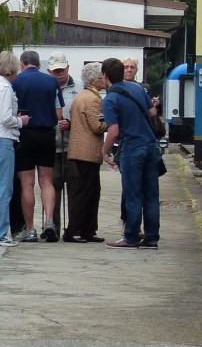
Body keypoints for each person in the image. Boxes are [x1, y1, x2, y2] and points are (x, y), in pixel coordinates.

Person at [100, 57, 159, 250]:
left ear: (105, 76)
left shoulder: (110, 99)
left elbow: (114, 131)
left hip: (132, 148)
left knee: (133, 194)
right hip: (151, 145)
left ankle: (131, 236)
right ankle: (151, 238)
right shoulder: (137, 88)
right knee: (151, 194)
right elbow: (152, 112)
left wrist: (105, 151)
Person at [12, 50, 62, 242]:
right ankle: (49, 221)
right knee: (46, 180)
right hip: (47, 134)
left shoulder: (17, 81)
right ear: (39, 65)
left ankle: (30, 229)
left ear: (22, 64)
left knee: (27, 183)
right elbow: (59, 114)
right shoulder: (52, 81)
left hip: (25, 133)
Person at [63, 61, 108, 244]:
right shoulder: (93, 99)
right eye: (102, 77)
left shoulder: (82, 96)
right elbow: (96, 126)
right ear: (96, 79)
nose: (105, 80)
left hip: (80, 151)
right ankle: (76, 230)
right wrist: (113, 125)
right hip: (86, 152)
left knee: (89, 191)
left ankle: (86, 230)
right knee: (86, 192)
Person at [0, 51, 31, 247]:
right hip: (4, 139)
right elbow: (5, 118)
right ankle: (3, 233)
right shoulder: (5, 87)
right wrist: (21, 121)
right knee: (5, 188)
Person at [47, 51, 78, 233]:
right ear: (49, 71)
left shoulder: (79, 88)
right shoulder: (45, 88)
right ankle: (53, 227)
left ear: (67, 67)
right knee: (53, 187)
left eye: (62, 69)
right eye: (55, 70)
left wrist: (71, 123)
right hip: (51, 146)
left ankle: (74, 228)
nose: (59, 73)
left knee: (74, 189)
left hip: (72, 146)